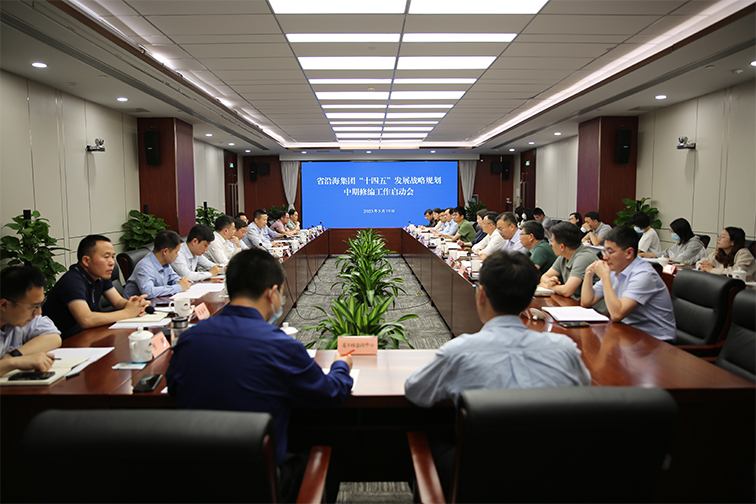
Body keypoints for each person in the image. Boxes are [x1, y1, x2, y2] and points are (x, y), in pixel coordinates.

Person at [167, 248, 353, 502]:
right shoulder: (280, 345)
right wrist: (341, 365)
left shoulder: (189, 340)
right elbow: (329, 393)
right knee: (333, 456)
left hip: (195, 482)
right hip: (259, 485)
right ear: (272, 293)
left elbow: (175, 389)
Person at [405, 250, 591, 406]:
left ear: (481, 295)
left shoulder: (458, 352)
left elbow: (415, 391)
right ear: (530, 300)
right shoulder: (565, 350)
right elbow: (584, 394)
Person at [43, 235, 150, 339]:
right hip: (65, 341)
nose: (112, 262)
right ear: (86, 261)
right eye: (106, 257)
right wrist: (127, 312)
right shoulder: (72, 281)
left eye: (112, 257)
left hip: (89, 334)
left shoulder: (100, 276)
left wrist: (135, 305)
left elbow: (117, 302)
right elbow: (86, 319)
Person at [581, 226, 676, 342]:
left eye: (610, 252)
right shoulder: (615, 268)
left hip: (656, 341)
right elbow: (586, 301)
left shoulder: (644, 275)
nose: (604, 257)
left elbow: (617, 314)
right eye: (604, 251)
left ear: (629, 253)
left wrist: (605, 277)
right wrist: (589, 273)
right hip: (628, 333)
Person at [1, 266, 62, 376]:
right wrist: (13, 362)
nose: (38, 312)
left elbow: (53, 337)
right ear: (4, 305)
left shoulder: (19, 319)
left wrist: (15, 355)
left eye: (40, 305)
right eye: (34, 307)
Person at [539, 222, 603, 306]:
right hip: (575, 304)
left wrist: (550, 287)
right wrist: (550, 281)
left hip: (595, 309)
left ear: (562, 247)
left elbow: (567, 291)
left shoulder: (583, 258)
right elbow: (544, 276)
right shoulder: (564, 256)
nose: (551, 244)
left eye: (552, 242)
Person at [124, 231, 190, 299]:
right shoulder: (144, 266)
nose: (177, 255)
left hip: (157, 301)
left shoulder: (165, 263)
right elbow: (148, 292)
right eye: (176, 252)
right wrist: (178, 287)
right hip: (138, 304)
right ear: (165, 251)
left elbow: (173, 278)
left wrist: (182, 281)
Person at [639, 217, 707, 264]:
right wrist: (643, 255)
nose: (672, 234)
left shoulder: (695, 244)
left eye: (673, 232)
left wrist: (663, 260)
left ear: (681, 232)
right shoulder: (680, 243)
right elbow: (665, 253)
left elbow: (681, 259)